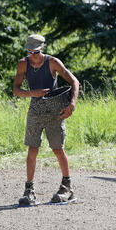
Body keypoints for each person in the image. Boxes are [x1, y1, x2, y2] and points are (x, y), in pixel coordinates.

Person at [13, 34, 80, 205]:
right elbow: (16, 89)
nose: (33, 55)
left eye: (36, 51)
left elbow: (74, 81)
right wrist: (31, 93)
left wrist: (71, 104)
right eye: (30, 51)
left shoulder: (52, 62)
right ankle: (29, 191)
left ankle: (67, 188)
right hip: (34, 111)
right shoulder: (23, 64)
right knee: (32, 149)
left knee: (58, 149)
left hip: (54, 112)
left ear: (42, 47)